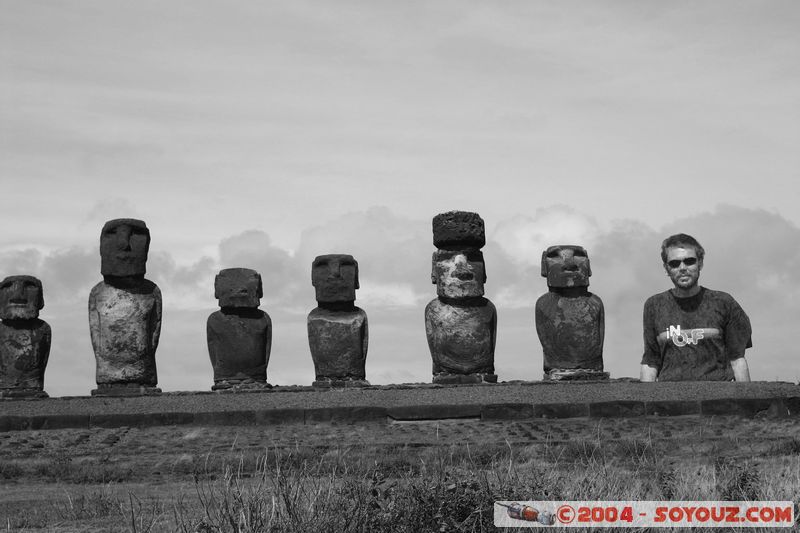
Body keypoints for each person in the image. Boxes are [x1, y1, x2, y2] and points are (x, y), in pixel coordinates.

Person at [640, 233, 752, 382]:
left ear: (700, 263)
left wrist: (745, 402)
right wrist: (645, 401)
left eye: (689, 261)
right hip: (669, 400)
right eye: (674, 263)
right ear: (666, 268)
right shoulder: (654, 306)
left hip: (719, 398)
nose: (682, 268)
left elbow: (737, 359)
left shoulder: (724, 302)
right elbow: (651, 362)